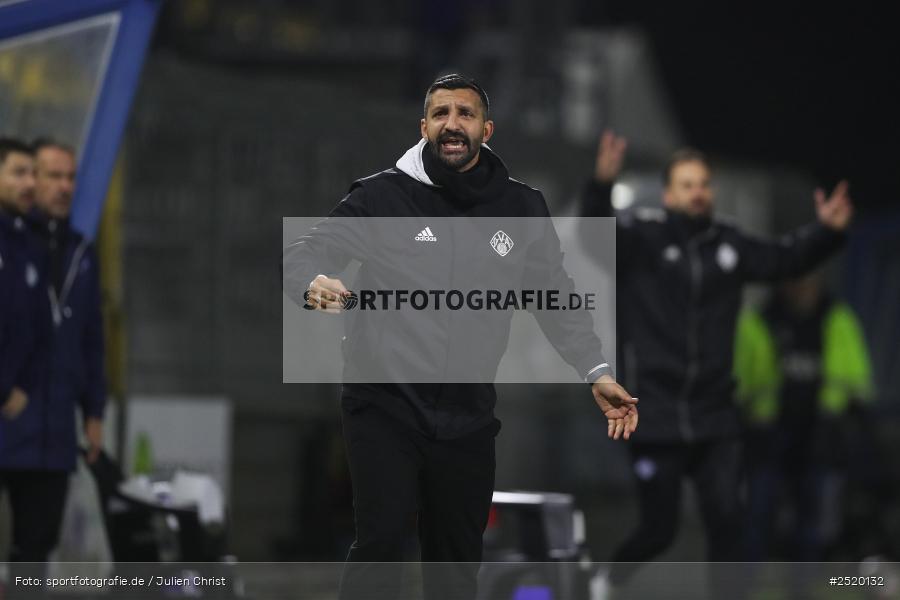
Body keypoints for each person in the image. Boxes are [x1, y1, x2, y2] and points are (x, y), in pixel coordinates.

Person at [282, 74, 638, 600]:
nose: (453, 124)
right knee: (380, 545)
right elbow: (304, 252)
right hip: (384, 404)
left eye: (465, 114)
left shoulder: (521, 209)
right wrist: (311, 283)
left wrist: (596, 371)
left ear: (485, 130)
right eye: (441, 113)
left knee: (455, 563)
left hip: (468, 414)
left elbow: (554, 297)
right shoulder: (382, 197)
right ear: (423, 126)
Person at [579, 131, 852, 595]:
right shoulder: (642, 239)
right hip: (654, 412)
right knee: (659, 529)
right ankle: (604, 581)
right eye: (687, 184)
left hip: (715, 417)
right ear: (668, 194)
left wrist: (827, 234)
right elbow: (593, 234)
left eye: (704, 183)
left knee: (729, 522)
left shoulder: (729, 244)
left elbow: (784, 259)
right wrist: (600, 185)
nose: (698, 192)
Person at [735, 272, 873, 563]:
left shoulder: (837, 320)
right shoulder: (759, 321)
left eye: (808, 278)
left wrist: (843, 423)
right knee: (758, 519)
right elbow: (738, 384)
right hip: (767, 438)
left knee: (812, 524)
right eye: (795, 277)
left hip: (819, 438)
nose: (801, 287)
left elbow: (858, 381)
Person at [0, 137, 55, 566]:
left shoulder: (28, 241)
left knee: (27, 545)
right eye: (19, 172)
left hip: (14, 412)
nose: (29, 183)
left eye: (33, 173)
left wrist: (22, 384)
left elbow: (39, 327)